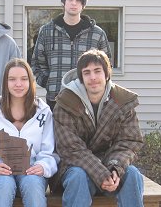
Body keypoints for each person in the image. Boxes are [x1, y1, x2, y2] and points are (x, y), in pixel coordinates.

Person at [53, 49, 144, 207]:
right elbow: (71, 149)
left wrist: (115, 168)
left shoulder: (123, 102)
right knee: (77, 176)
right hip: (77, 168)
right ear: (81, 77)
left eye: (97, 71)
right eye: (86, 72)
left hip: (111, 164)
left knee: (133, 174)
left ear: (107, 74)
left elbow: (129, 141)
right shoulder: (65, 103)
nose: (93, 77)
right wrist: (101, 173)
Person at [0, 58, 59, 207]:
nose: (18, 84)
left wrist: (43, 166)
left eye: (23, 79)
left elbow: (49, 152)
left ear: (30, 82)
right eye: (12, 79)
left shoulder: (43, 112)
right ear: (5, 83)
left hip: (30, 170)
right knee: (5, 185)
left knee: (33, 184)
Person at [31, 0, 111, 110]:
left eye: (78, 0)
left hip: (88, 99)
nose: (74, 3)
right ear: (63, 1)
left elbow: (107, 65)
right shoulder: (46, 31)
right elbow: (37, 63)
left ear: (83, 4)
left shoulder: (97, 34)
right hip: (56, 98)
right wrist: (48, 82)